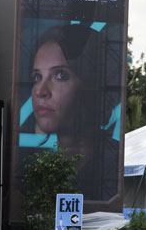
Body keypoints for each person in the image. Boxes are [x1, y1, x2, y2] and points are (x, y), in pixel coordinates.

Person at [24, 23, 119, 201]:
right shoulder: (34, 167)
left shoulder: (113, 164)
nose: (40, 91)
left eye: (60, 75)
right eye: (37, 77)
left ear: (89, 82)